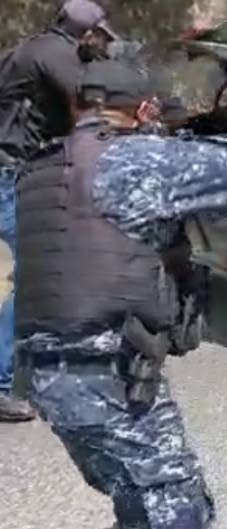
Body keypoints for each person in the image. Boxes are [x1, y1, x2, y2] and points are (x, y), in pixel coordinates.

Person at [16, 61, 216, 529]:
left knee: (132, 494)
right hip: (111, 372)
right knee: (175, 502)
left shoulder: (40, 167)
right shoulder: (135, 160)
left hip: (45, 377)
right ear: (145, 109)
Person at [0, 0, 118, 422]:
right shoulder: (56, 55)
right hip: (9, 171)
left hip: (11, 164)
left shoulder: (32, 48)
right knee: (26, 275)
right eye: (99, 36)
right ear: (86, 32)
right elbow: (85, 105)